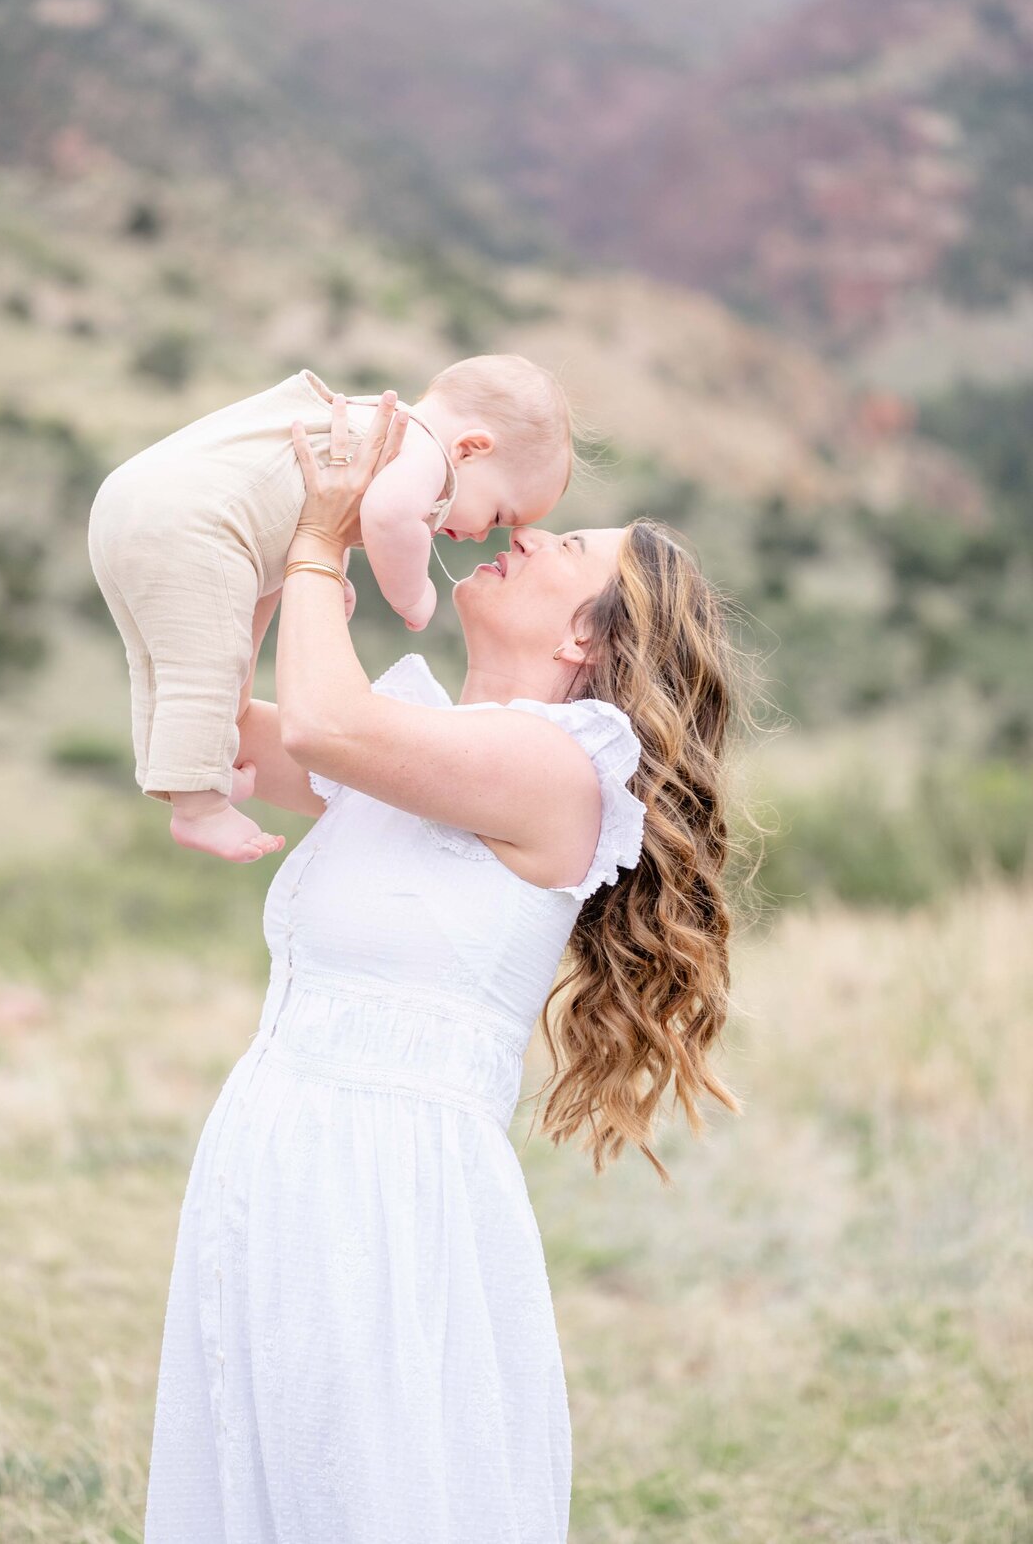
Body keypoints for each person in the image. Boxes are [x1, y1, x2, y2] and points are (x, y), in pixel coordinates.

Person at [142, 392, 745, 1544]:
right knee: (265, 1476)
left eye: (562, 546)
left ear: (588, 640)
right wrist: (256, 553)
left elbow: (320, 726)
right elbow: (211, 723)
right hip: (276, 1146)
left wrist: (327, 543)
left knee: (374, 1491)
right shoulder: (416, 739)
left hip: (387, 1189)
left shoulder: (559, 774)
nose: (519, 535)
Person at [86, 357, 572, 863]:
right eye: (497, 516)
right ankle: (199, 808)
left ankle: (180, 768)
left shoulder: (363, 424)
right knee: (209, 663)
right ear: (470, 450)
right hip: (197, 525)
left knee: (162, 664)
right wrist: (414, 595)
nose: (479, 535)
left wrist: (331, 570)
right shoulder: (423, 451)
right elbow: (388, 515)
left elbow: (316, 497)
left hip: (130, 503)